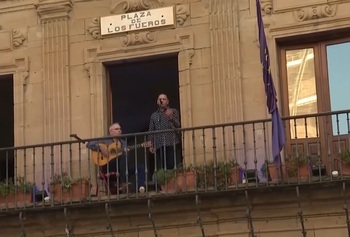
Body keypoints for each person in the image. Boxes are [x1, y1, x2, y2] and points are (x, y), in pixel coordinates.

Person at [86, 123, 128, 194]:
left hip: (121, 166)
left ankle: (140, 189)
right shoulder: (105, 140)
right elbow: (89, 144)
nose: (119, 130)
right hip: (108, 165)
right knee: (123, 156)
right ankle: (122, 183)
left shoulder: (123, 143)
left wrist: (126, 152)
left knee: (139, 167)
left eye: (120, 129)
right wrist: (100, 146)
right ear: (111, 132)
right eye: (116, 129)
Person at [148, 94, 182, 172]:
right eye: (160, 99)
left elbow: (178, 125)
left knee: (172, 165)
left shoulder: (173, 111)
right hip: (159, 144)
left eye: (164, 99)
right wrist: (150, 144)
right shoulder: (154, 115)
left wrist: (171, 118)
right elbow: (151, 130)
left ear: (167, 101)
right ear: (157, 102)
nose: (162, 100)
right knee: (163, 167)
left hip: (171, 142)